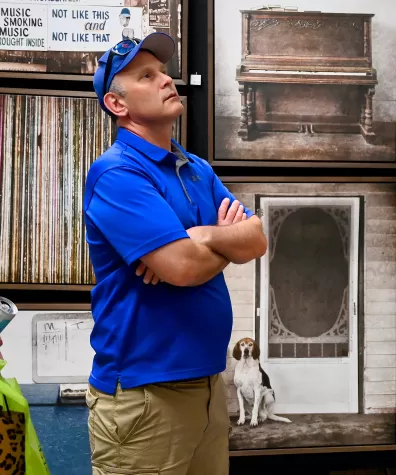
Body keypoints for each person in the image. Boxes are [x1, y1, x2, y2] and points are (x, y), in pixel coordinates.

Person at [83, 32, 266, 475]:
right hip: (146, 399)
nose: (167, 80)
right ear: (117, 105)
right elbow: (183, 268)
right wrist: (218, 243)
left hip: (208, 386)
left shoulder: (195, 168)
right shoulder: (115, 174)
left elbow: (257, 237)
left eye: (163, 71)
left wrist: (199, 236)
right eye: (147, 75)